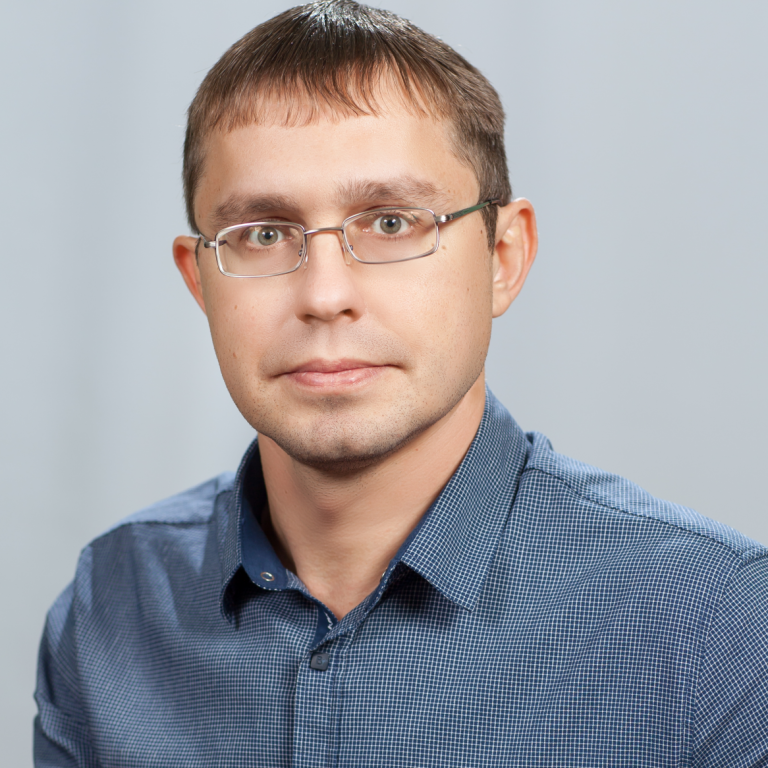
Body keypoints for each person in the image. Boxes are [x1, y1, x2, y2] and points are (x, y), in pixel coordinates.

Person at [34, 1, 768, 765]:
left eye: (390, 222)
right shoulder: (111, 604)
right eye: (264, 234)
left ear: (503, 257)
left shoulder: (719, 628)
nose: (325, 296)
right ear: (201, 282)